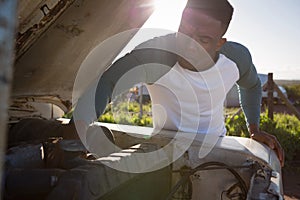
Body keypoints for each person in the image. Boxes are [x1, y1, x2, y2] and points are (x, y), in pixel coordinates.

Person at [69, 0, 284, 166]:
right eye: (185, 31)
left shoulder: (237, 59)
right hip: (162, 148)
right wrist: (75, 131)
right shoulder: (153, 56)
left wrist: (254, 128)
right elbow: (108, 83)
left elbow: (252, 86)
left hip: (218, 147)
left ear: (220, 43)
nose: (188, 45)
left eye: (203, 40)